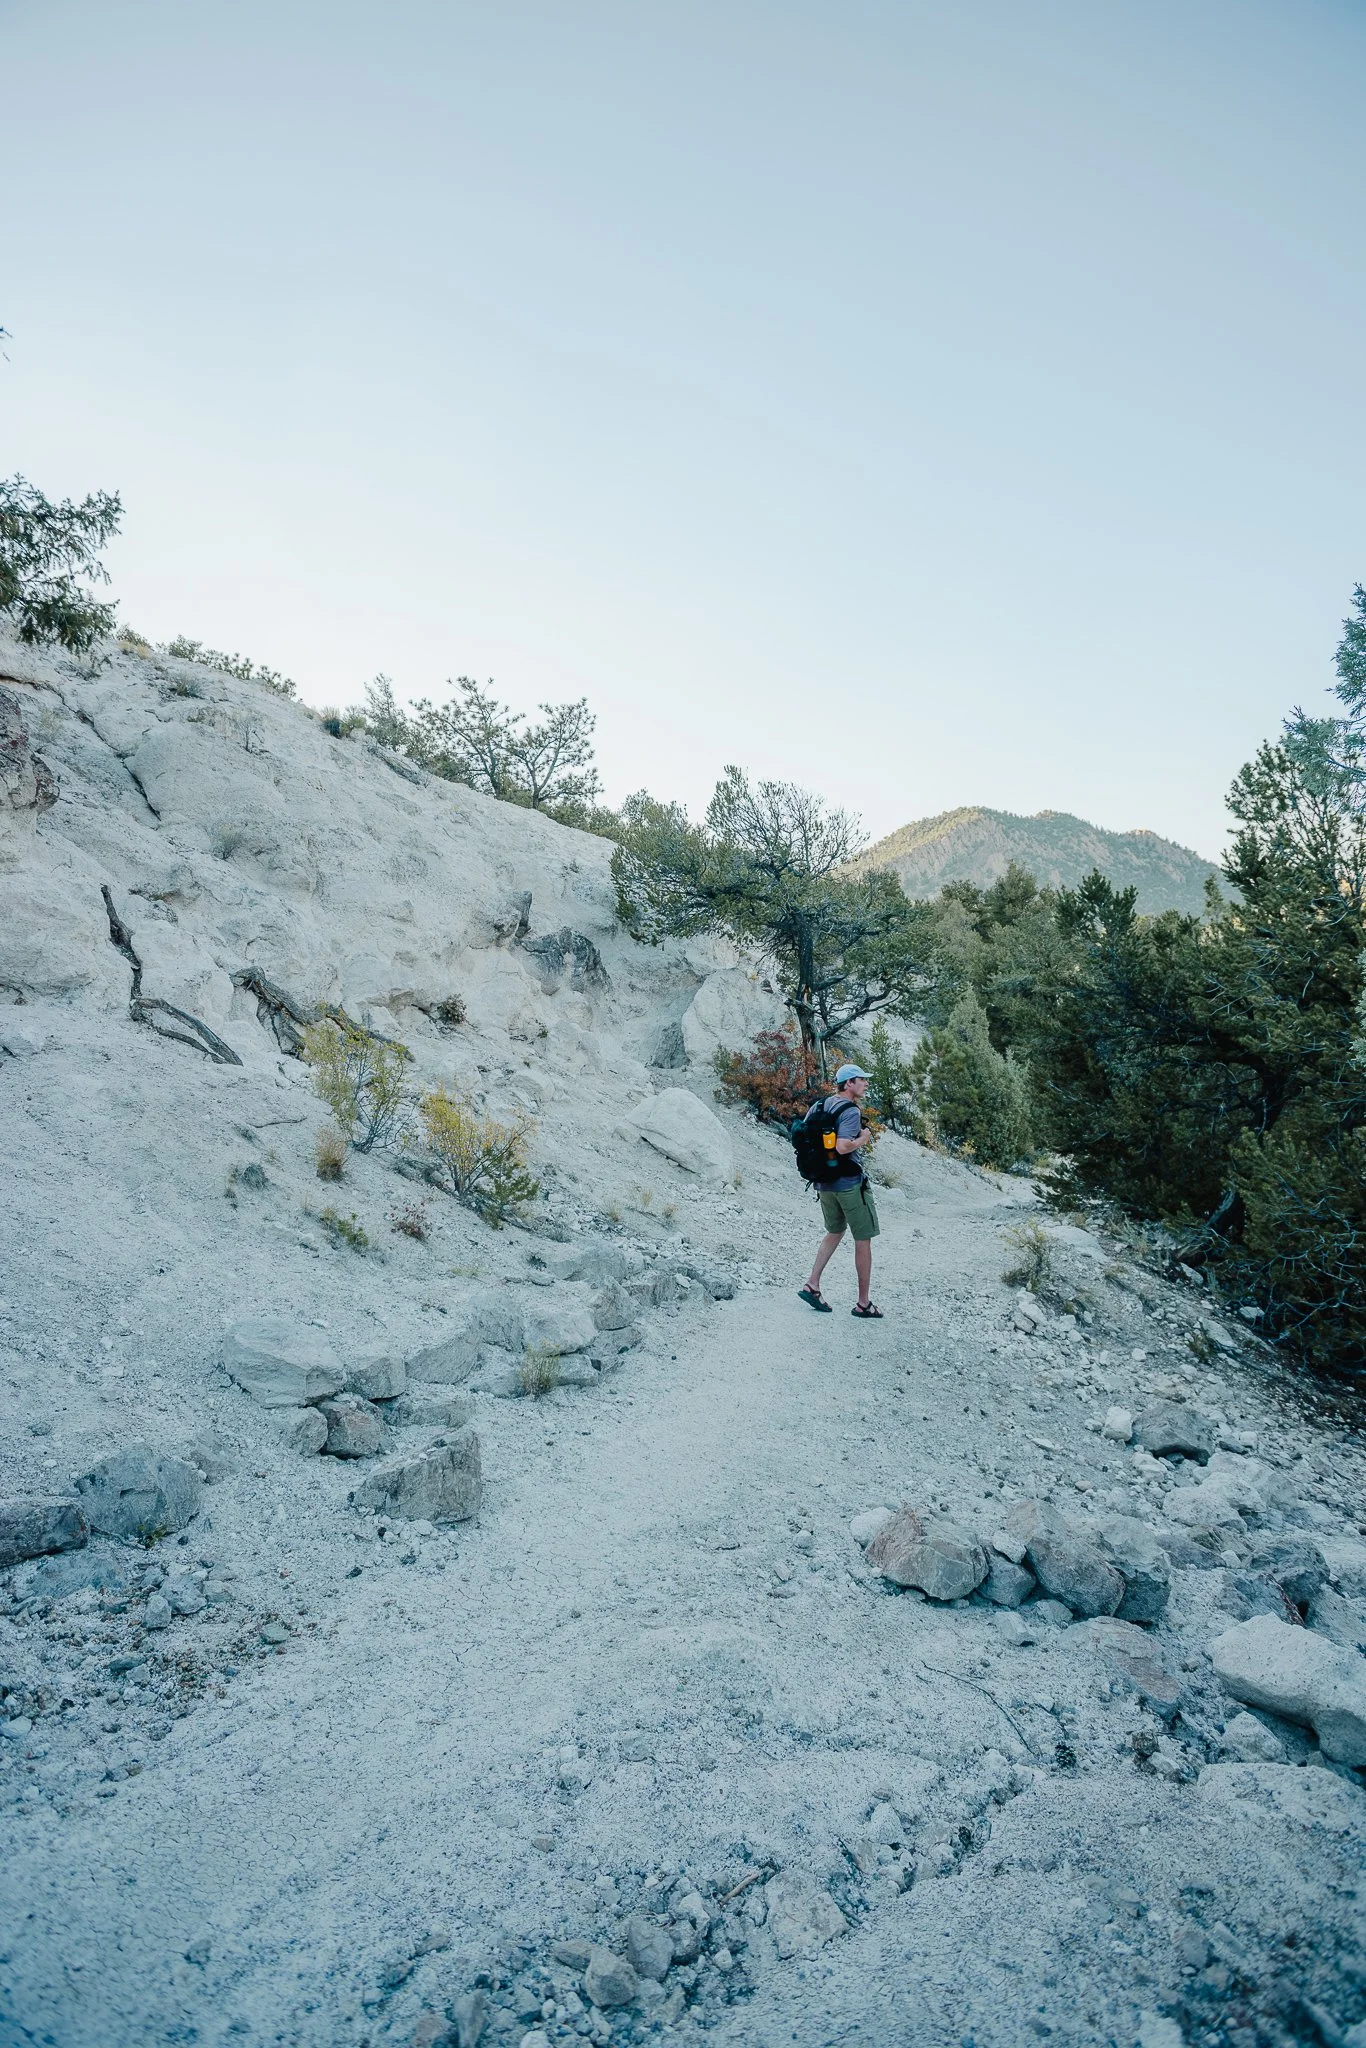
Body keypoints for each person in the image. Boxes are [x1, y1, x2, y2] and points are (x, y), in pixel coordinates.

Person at [798, 1063, 882, 1318]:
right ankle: (863, 1304)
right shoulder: (851, 1111)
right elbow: (844, 1146)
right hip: (848, 1183)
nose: (866, 1084)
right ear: (849, 1084)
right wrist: (863, 1139)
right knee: (863, 1238)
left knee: (834, 1231)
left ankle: (812, 1284)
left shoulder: (819, 1105)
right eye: (862, 1080)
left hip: (823, 1183)